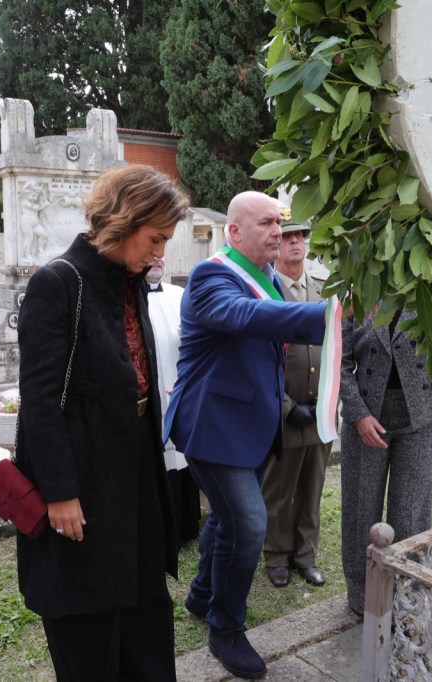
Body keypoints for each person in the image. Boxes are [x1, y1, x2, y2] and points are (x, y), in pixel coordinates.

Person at [15, 165, 188, 681]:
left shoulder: (129, 280)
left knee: (142, 608)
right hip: (82, 479)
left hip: (133, 472)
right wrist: (60, 492)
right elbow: (40, 401)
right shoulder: (58, 282)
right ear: (123, 219)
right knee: (88, 617)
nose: (160, 254)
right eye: (155, 239)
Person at [166, 191, 327, 679]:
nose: (278, 231)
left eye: (279, 223)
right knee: (250, 525)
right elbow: (248, 318)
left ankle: (200, 595)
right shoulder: (212, 275)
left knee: (225, 520)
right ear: (233, 232)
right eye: (266, 224)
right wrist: (329, 318)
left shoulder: (267, 276)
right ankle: (225, 628)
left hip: (251, 426)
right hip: (212, 426)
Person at [339, 307, 432, 614]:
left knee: (410, 511)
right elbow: (338, 359)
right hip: (365, 417)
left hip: (420, 416)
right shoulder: (358, 290)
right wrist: (359, 414)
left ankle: (409, 591)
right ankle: (362, 591)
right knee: (361, 509)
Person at [261, 211, 332, 589]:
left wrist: (328, 401)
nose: (295, 241)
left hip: (319, 410)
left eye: (301, 234)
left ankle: (306, 555)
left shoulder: (323, 288)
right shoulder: (268, 291)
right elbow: (260, 358)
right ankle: (276, 555)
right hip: (284, 410)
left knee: (312, 487)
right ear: (276, 243)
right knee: (279, 489)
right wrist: (288, 408)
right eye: (288, 236)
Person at [145, 255, 200, 548]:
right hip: (149, 395)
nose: (157, 258)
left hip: (181, 391)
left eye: (162, 252)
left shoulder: (181, 296)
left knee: (182, 459)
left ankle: (188, 525)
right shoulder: (128, 299)